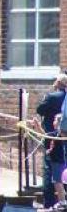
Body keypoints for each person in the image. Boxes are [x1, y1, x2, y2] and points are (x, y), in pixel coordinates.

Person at [37, 73, 67, 208]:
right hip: (59, 136)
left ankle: (52, 201)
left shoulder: (52, 97)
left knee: (52, 170)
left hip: (54, 137)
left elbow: (40, 110)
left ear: (58, 83)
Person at [46, 114, 67, 209]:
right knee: (56, 182)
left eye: (55, 120)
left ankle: (62, 202)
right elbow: (45, 135)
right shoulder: (55, 133)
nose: (53, 122)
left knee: (58, 182)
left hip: (59, 161)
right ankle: (61, 201)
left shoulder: (61, 134)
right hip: (55, 161)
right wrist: (37, 126)